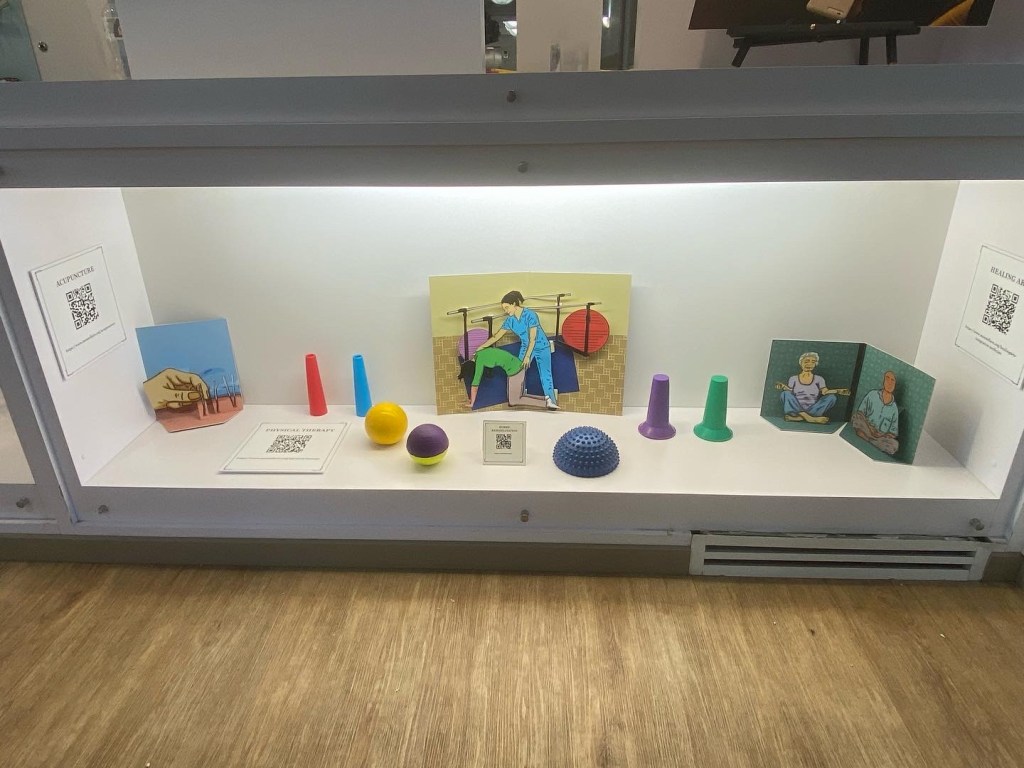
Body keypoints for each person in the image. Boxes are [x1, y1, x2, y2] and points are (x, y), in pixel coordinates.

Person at [476, 290, 558, 409]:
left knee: (545, 375)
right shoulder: (510, 320)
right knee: (517, 371)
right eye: (504, 309)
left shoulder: (530, 315)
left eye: (507, 307)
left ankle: (552, 402)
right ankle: (518, 398)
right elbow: (497, 336)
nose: (506, 311)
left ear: (514, 304)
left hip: (541, 346)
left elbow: (533, 339)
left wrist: (527, 357)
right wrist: (482, 347)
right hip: (525, 347)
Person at [458, 348, 555, 410]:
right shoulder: (479, 353)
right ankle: (545, 399)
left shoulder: (479, 362)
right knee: (516, 398)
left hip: (515, 370)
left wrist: (472, 403)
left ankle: (546, 402)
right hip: (516, 366)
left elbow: (475, 384)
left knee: (513, 401)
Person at [774, 352, 850, 424]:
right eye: (807, 361)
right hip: (796, 407)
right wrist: (783, 387)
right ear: (801, 363)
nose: (810, 364)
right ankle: (809, 418)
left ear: (815, 364)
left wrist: (838, 391)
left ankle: (801, 417)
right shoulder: (793, 378)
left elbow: (825, 392)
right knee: (785, 393)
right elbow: (790, 392)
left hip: (814, 409)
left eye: (813, 362)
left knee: (832, 397)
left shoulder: (819, 379)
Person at [852, 370, 900, 455]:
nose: (890, 382)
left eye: (892, 380)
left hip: (880, 436)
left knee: (895, 445)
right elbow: (860, 413)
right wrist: (869, 428)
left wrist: (883, 435)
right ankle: (871, 440)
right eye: (887, 378)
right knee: (856, 419)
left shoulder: (894, 408)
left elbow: (893, 432)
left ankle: (868, 439)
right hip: (866, 427)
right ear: (883, 381)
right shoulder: (872, 394)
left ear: (895, 385)